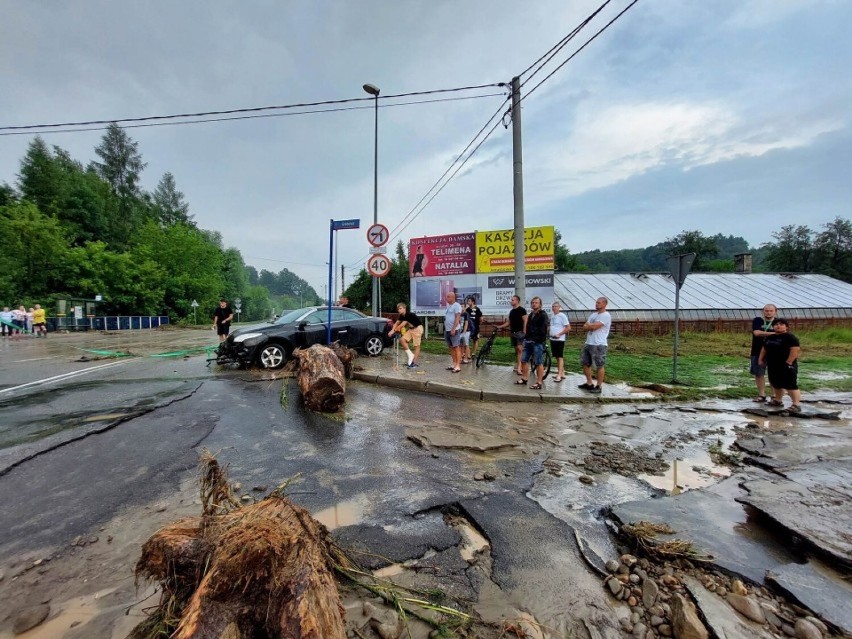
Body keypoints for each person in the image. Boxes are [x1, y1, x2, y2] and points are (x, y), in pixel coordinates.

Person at [758, 318, 802, 413]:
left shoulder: (790, 337)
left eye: (781, 324)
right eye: (776, 324)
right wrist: (760, 359)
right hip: (773, 364)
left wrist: (789, 362)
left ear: (786, 327)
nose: (778, 326)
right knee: (776, 383)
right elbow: (764, 348)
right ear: (773, 326)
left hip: (786, 364)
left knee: (790, 385)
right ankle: (777, 400)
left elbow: (795, 350)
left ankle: (796, 404)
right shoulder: (770, 337)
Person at [578, 297, 612, 394]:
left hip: (599, 344)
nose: (596, 304)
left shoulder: (606, 315)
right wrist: (589, 326)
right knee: (585, 363)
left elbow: (594, 327)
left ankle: (599, 386)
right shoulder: (593, 315)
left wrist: (590, 326)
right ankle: (589, 383)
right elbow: (585, 327)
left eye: (599, 303)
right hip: (589, 342)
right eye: (596, 302)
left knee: (599, 365)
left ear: (604, 304)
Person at [519, 296, 549, 389]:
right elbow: (528, 327)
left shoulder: (543, 315)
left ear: (540, 304)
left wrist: (537, 339)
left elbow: (543, 329)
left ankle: (539, 382)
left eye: (536, 302)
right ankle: (525, 378)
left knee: (538, 362)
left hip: (538, 342)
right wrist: (526, 337)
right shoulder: (531, 314)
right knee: (524, 360)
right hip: (528, 341)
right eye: (532, 302)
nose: (534, 304)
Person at [750, 304, 777, 402]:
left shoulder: (778, 322)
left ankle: (775, 395)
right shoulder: (757, 320)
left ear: (775, 311)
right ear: (763, 311)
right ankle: (762, 395)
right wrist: (774, 333)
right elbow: (756, 333)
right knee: (759, 373)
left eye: (771, 311)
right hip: (757, 350)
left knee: (774, 374)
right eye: (766, 311)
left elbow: (784, 334)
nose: (768, 312)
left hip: (774, 352)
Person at [498, 295, 527, 375]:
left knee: (520, 349)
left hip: (520, 332)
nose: (511, 301)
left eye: (513, 300)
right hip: (513, 333)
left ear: (517, 301)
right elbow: (508, 322)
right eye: (511, 300)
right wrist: (500, 326)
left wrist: (524, 330)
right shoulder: (511, 311)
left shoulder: (522, 310)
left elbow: (525, 320)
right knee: (517, 351)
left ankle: (520, 368)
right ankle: (519, 365)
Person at [389, 302, 423, 368]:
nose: (399, 310)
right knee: (402, 340)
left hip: (417, 329)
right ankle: (410, 355)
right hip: (411, 329)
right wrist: (392, 330)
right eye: (398, 309)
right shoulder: (401, 315)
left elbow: (401, 325)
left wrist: (393, 332)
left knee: (416, 346)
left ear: (404, 308)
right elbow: (396, 324)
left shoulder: (408, 315)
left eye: (400, 308)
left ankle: (413, 363)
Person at [549, 301, 570, 382]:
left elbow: (568, 328)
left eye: (555, 306)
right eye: (553, 306)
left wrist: (559, 334)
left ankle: (559, 375)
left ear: (559, 307)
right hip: (552, 338)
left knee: (560, 356)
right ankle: (562, 373)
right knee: (556, 356)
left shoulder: (562, 316)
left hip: (559, 339)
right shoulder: (552, 316)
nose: (554, 308)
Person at [444, 291, 463, 373]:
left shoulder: (457, 306)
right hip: (447, 330)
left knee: (456, 347)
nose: (446, 298)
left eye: (448, 296)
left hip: (454, 330)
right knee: (451, 348)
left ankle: (458, 366)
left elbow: (457, 318)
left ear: (453, 297)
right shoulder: (449, 306)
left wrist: (453, 329)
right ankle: (454, 363)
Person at [463, 296, 483, 361]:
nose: (468, 302)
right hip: (468, 328)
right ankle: (467, 354)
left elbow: (481, 319)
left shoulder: (477, 309)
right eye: (467, 301)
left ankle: (474, 353)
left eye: (469, 301)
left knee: (475, 340)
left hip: (475, 327)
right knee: (467, 341)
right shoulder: (467, 309)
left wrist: (478, 324)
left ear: (473, 302)